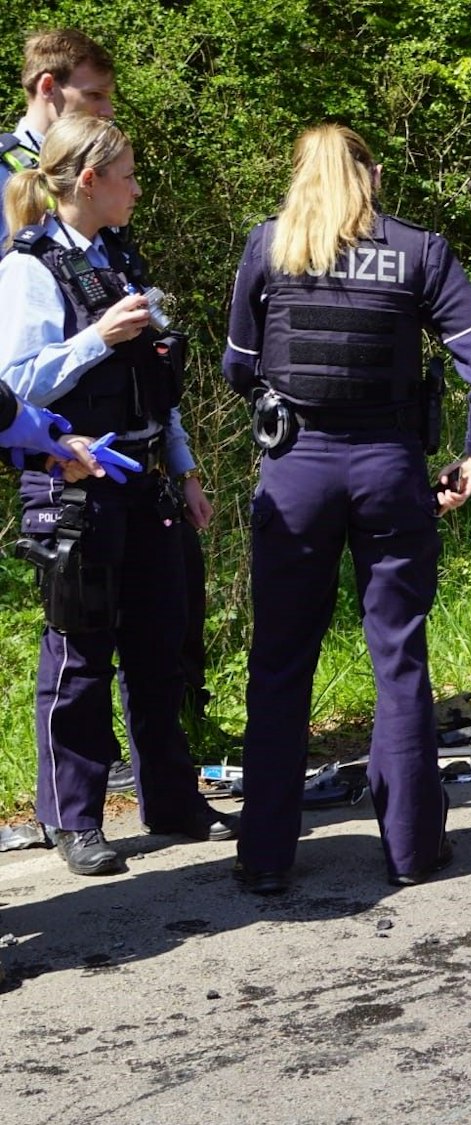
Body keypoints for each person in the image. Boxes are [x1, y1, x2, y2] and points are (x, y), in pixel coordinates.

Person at [225, 124, 471, 894]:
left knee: (281, 661)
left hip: (296, 470)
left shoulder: (271, 246)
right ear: (373, 175)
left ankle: (264, 857)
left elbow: (237, 366)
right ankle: (413, 850)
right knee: (398, 655)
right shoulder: (420, 251)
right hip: (390, 468)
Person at [0, 114, 229, 875]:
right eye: (127, 174)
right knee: (81, 651)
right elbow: (13, 386)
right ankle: (76, 819)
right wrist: (97, 336)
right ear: (89, 180)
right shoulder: (30, 267)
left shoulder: (118, 257)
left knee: (161, 643)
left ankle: (171, 796)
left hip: (146, 478)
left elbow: (156, 384)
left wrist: (187, 467)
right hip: (74, 479)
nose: (138, 187)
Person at [0, 29, 114, 190]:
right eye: (95, 95)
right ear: (48, 88)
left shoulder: (100, 168)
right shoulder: (4, 171)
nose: (108, 111)